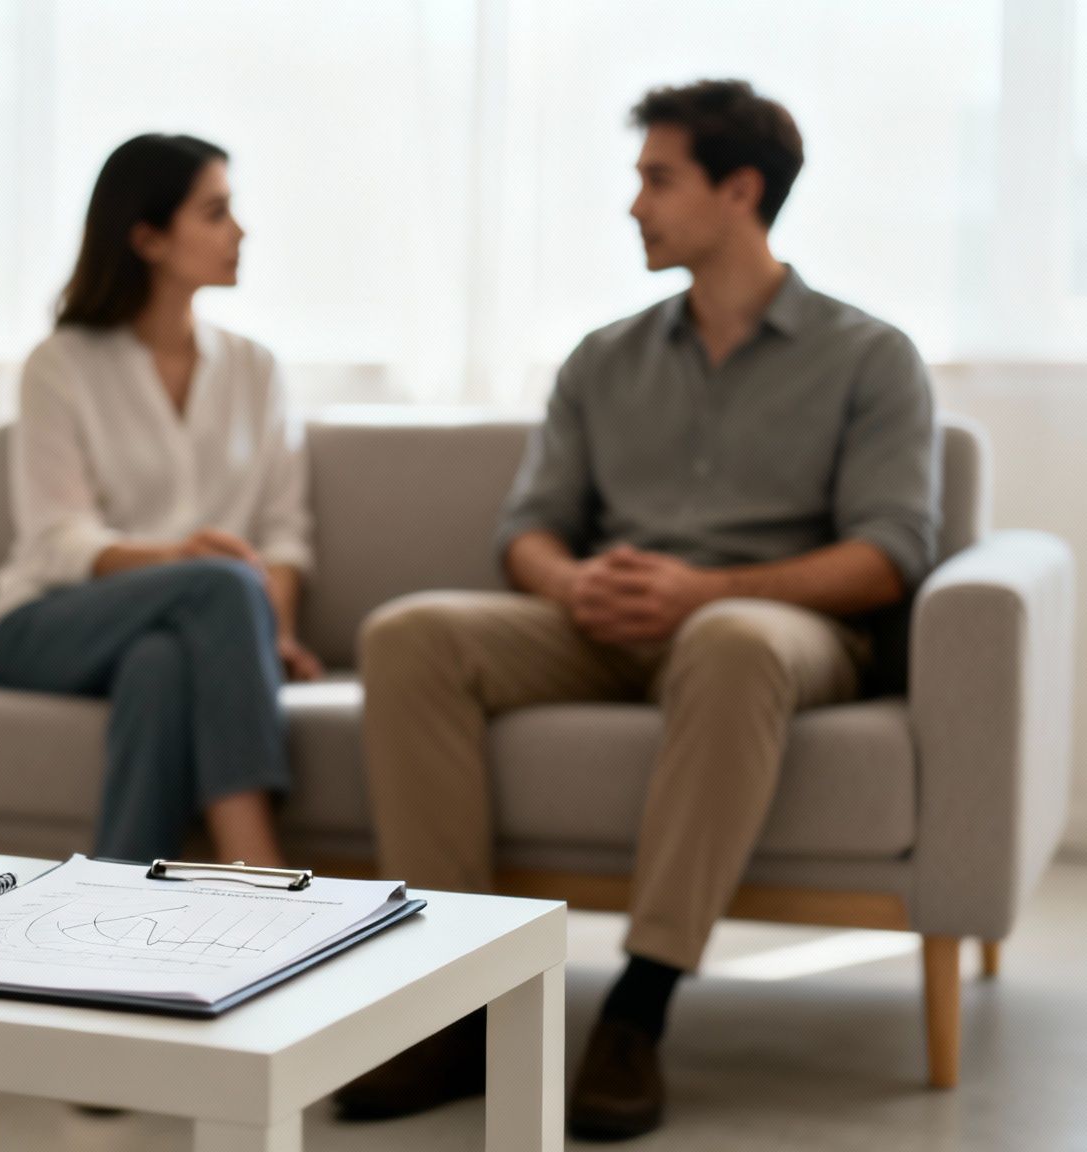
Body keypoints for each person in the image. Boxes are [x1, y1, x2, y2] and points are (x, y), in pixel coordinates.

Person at [335, 80, 939, 1140]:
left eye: (657, 179)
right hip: (604, 621)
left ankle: (639, 1007)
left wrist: (708, 589)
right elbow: (526, 527)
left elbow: (888, 555)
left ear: (739, 190)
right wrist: (568, 583)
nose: (633, 206)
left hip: (767, 627)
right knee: (411, 632)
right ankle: (456, 1002)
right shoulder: (602, 357)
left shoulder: (868, 357)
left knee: (727, 641)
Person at [0, 133, 321, 870]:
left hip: (178, 631)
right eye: (216, 213)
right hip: (45, 623)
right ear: (148, 237)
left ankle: (116, 913)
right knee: (220, 583)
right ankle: (258, 869)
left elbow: (283, 536)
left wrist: (268, 636)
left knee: (161, 664)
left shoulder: (256, 371)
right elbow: (55, 540)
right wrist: (182, 561)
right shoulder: (60, 364)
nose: (241, 232)